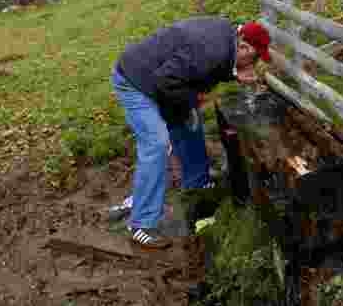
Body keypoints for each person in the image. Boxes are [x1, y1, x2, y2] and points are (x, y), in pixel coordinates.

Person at [110, 17, 271, 251]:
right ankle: (141, 223)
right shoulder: (212, 50)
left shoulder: (228, 38)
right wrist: (194, 100)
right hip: (136, 81)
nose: (253, 64)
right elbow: (165, 82)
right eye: (254, 58)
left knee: (190, 121)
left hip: (163, 78)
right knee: (156, 144)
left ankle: (196, 183)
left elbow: (205, 68)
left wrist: (234, 75)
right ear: (244, 46)